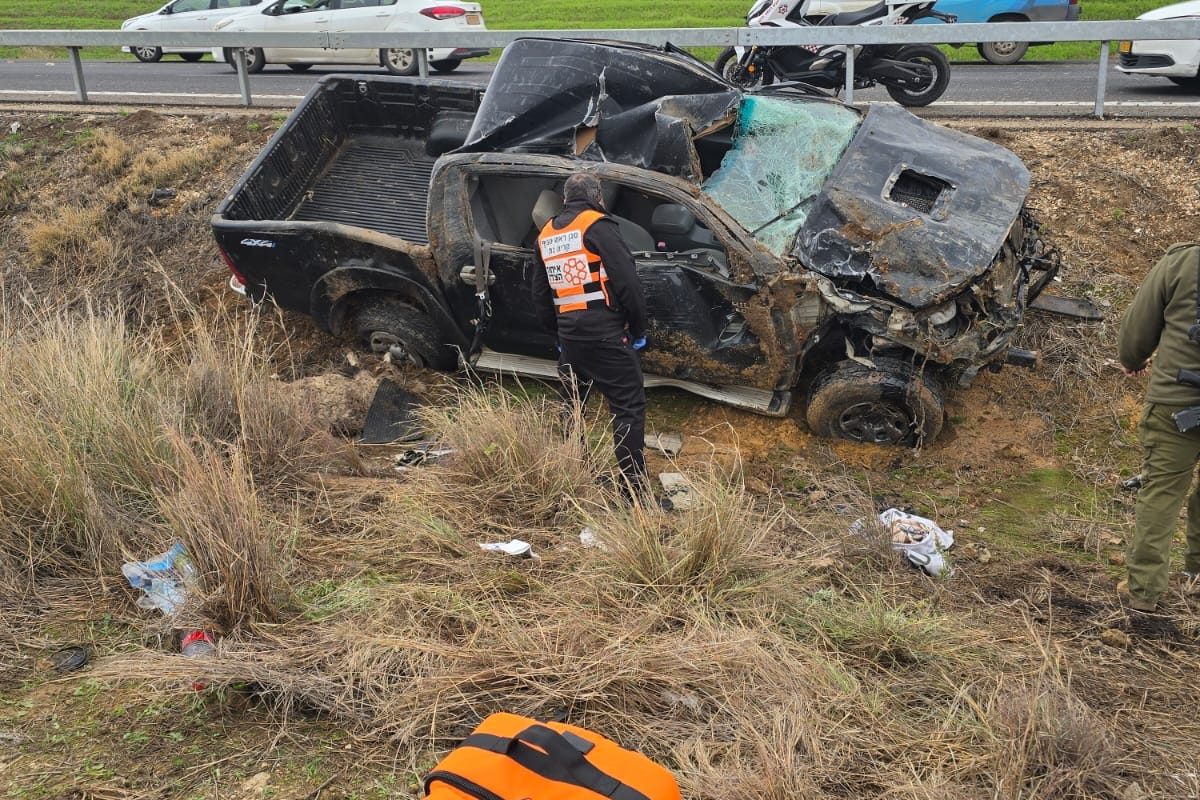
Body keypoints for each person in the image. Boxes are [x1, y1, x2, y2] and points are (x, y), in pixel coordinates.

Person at [531, 172, 651, 498]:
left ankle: (575, 473)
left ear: (566, 200)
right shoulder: (597, 226)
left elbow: (541, 295)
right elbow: (628, 283)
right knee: (627, 407)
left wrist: (556, 335)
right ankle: (634, 493)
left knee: (573, 405)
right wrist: (638, 329)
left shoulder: (546, 235)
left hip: (570, 339)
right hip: (606, 336)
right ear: (598, 197)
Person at [1118, 241, 1200, 612]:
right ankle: (1196, 576)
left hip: (1175, 403)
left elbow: (1138, 330)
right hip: (1178, 404)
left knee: (1162, 494)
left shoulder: (1182, 262)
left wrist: (1133, 359)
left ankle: (1144, 594)